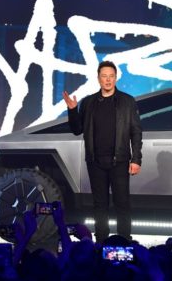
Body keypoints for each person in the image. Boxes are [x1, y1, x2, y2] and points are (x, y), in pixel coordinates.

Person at [63, 60, 143, 243]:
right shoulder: (88, 102)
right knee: (100, 205)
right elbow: (77, 130)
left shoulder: (127, 101)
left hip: (120, 161)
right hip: (95, 161)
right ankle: (100, 243)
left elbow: (136, 132)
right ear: (98, 79)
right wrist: (72, 111)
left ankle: (124, 242)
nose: (108, 80)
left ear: (116, 78)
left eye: (111, 76)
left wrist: (136, 159)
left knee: (122, 204)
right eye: (104, 76)